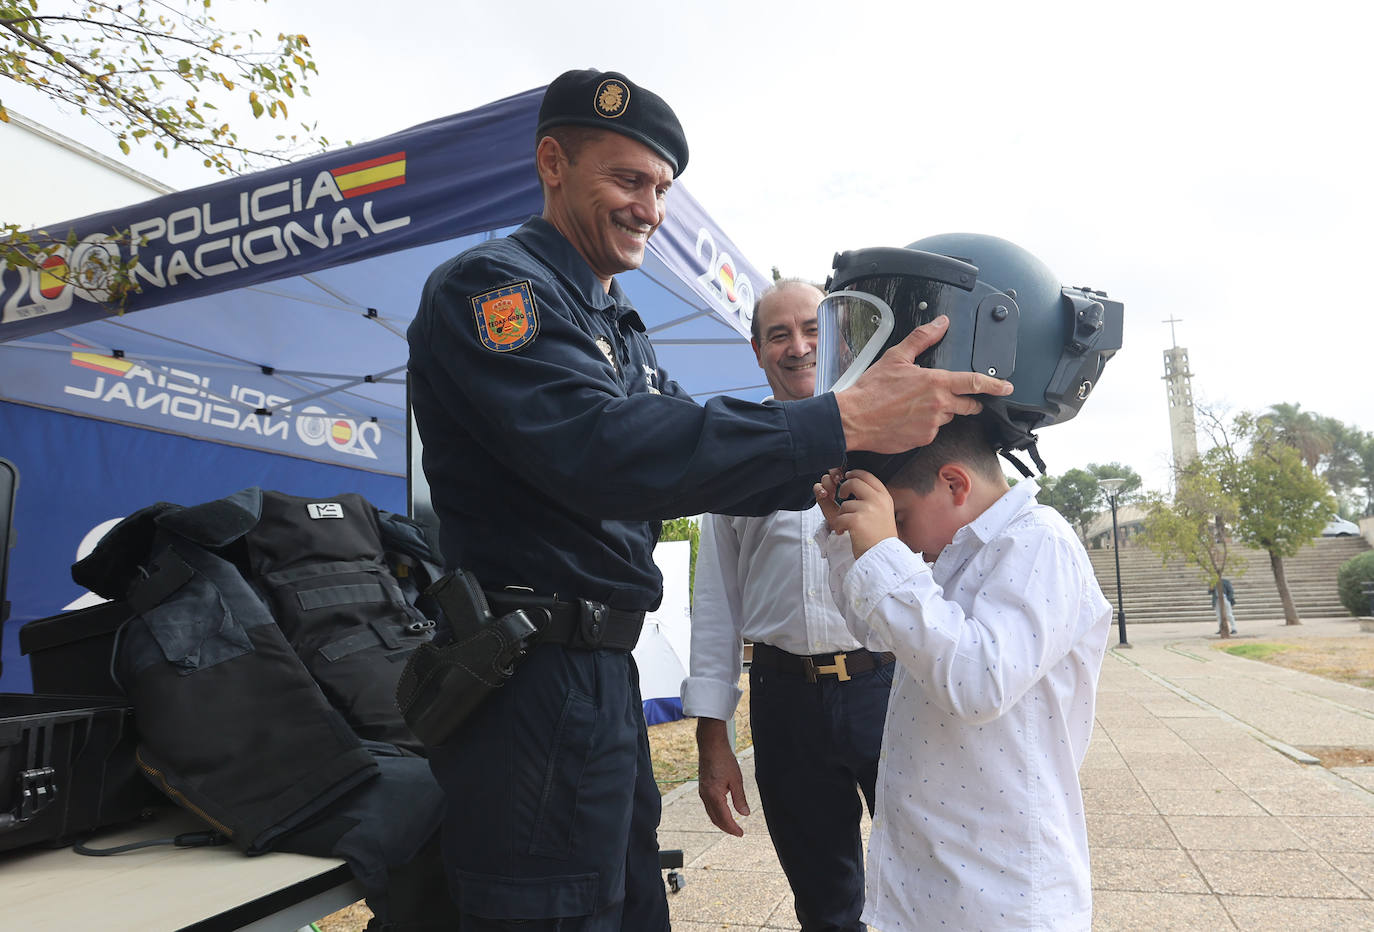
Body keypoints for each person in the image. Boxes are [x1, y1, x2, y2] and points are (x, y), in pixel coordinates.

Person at [405, 69, 1012, 931]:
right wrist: (839, 418)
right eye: (626, 179)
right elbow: (602, 448)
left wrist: (862, 438)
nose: (648, 207)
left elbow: (684, 456)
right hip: (530, 677)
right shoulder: (496, 293)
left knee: (631, 906)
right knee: (551, 910)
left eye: (659, 187)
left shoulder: (613, 322)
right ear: (552, 162)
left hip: (596, 678)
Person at [813, 416, 1113, 931]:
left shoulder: (1040, 542)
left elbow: (978, 682)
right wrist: (851, 543)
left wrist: (883, 553)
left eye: (900, 520)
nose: (899, 541)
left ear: (954, 484)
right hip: (931, 878)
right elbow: (880, 633)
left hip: (1003, 888)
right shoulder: (953, 554)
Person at [682, 279, 892, 932]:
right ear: (757, 350)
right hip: (785, 701)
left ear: (837, 340)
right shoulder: (736, 462)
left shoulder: (890, 444)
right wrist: (712, 736)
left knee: (927, 882)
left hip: (887, 689)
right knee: (826, 908)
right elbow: (715, 604)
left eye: (812, 329)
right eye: (779, 334)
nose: (798, 347)